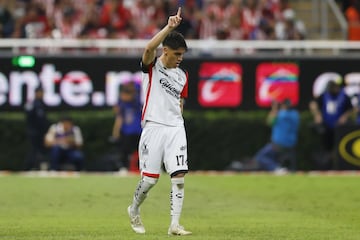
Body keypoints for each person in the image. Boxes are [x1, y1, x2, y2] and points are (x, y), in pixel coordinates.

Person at [127, 7, 192, 236]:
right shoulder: (152, 67)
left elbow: (180, 101)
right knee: (150, 181)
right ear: (166, 51)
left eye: (182, 55)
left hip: (175, 127)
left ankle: (174, 224)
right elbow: (148, 48)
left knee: (179, 176)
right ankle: (133, 208)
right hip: (153, 126)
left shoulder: (182, 75)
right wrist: (169, 27)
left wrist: (179, 119)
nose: (180, 59)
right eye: (176, 54)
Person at [309, 80, 354, 170]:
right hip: (326, 126)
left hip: (340, 128)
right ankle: (327, 166)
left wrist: (344, 117)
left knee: (339, 148)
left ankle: (337, 166)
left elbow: (351, 109)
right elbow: (313, 104)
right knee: (326, 147)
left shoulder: (344, 96)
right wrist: (317, 115)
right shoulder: (324, 96)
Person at [254, 99, 300, 173]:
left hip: (278, 145)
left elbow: (269, 122)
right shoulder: (295, 115)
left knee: (260, 157)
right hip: (291, 145)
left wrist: (274, 108)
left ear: (283, 105)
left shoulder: (280, 114)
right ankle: (280, 168)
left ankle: (276, 168)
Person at [110, 81, 142, 171]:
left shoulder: (136, 103)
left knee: (142, 151)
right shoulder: (122, 105)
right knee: (124, 151)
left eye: (125, 94)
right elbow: (119, 118)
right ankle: (123, 167)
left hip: (137, 131)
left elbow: (138, 89)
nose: (123, 97)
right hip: (126, 132)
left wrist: (132, 86)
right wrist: (115, 132)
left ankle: (144, 168)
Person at [24, 87, 49, 171]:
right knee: (34, 149)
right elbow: (30, 118)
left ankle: (37, 166)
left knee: (41, 150)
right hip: (34, 131)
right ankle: (28, 167)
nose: (42, 95)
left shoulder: (42, 103)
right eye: (40, 93)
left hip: (41, 132)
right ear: (36, 93)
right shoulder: (32, 104)